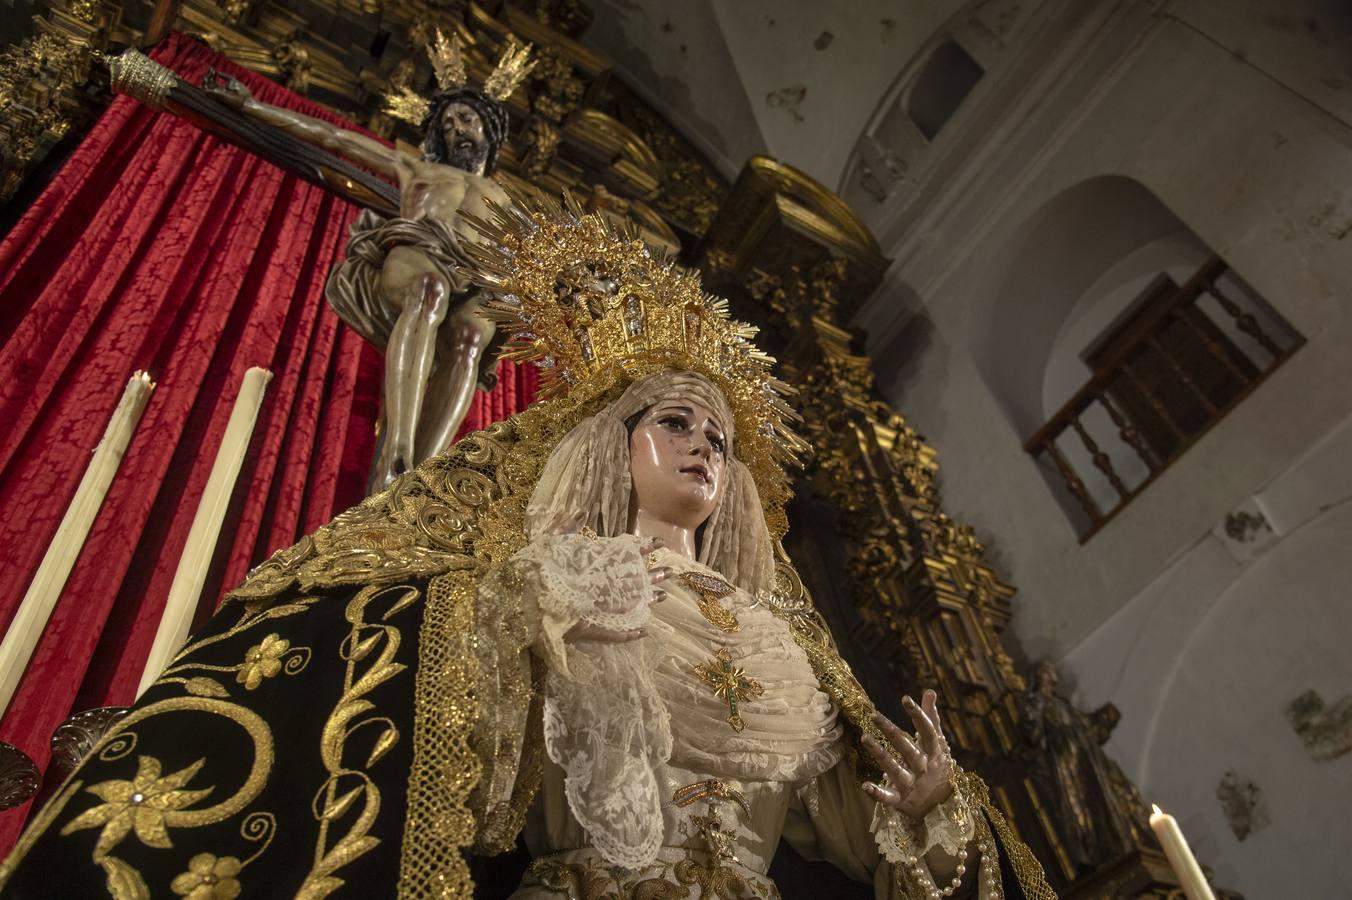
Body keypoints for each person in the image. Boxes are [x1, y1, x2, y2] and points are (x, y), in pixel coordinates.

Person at [0, 201, 1053, 899]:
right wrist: (525, 623)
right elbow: (469, 776)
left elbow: (855, 842)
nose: (701, 449)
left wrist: (919, 812)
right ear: (611, 446)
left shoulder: (784, 641)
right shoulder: (536, 587)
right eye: (674, 424)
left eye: (720, 441)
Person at [203, 34, 529, 490]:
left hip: (479, 276)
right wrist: (253, 108)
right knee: (428, 293)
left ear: (488, 130)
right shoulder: (417, 169)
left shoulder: (509, 201)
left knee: (473, 334)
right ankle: (397, 445)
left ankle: (421, 467)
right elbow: (332, 137)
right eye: (449, 122)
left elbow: (551, 254)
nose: (457, 128)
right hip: (423, 252)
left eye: (467, 119)